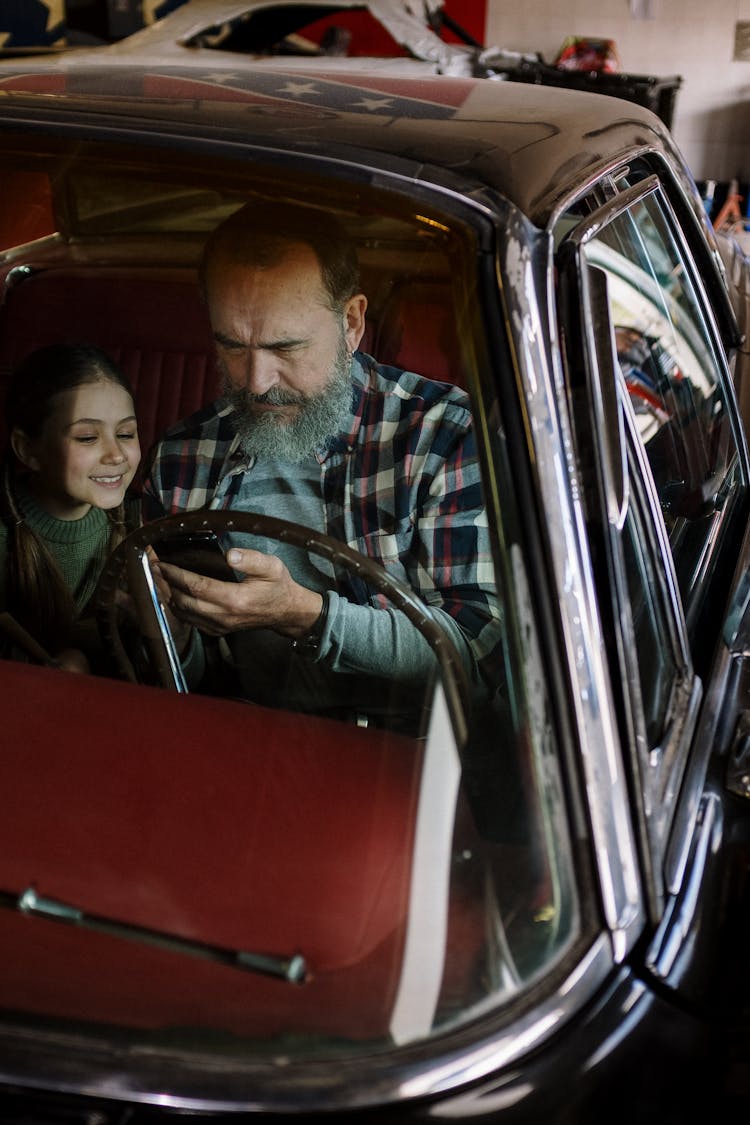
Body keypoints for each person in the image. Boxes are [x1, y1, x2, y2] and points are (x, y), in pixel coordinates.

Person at [143, 201, 501, 725]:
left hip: (406, 766)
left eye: (285, 348)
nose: (255, 381)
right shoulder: (182, 457)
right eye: (232, 347)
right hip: (239, 740)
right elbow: (191, 684)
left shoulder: (443, 436)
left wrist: (305, 615)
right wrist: (168, 629)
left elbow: (477, 662)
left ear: (352, 322)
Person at [0, 343, 141, 672]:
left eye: (126, 433)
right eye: (87, 438)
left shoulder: (140, 524)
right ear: (28, 449)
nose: (116, 455)